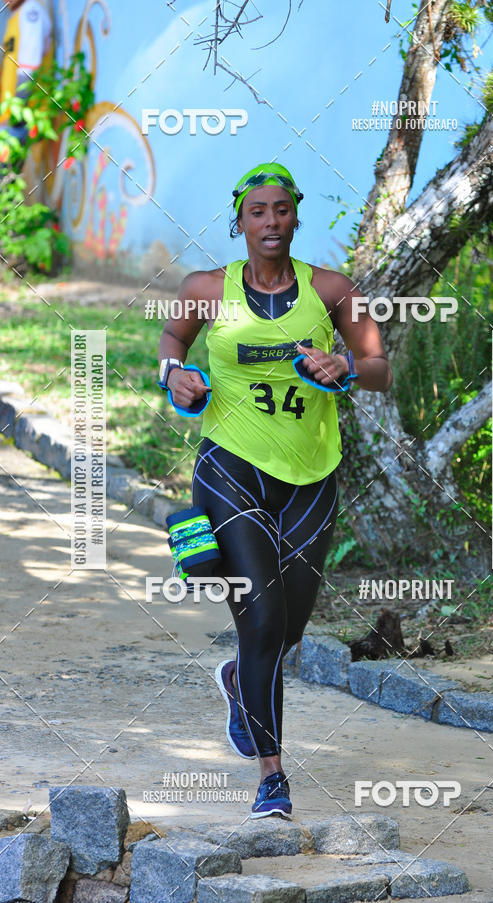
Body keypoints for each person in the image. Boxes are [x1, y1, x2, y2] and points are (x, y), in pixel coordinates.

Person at [157, 162, 392, 819]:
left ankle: (236, 678)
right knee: (260, 621)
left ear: (296, 217)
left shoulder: (333, 290)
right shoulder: (207, 288)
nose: (270, 221)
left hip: (312, 477)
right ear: (239, 220)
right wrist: (175, 374)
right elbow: (174, 341)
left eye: (281, 209)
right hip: (232, 468)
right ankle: (272, 776)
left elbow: (380, 368)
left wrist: (347, 364)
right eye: (257, 211)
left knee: (286, 628)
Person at [0, 0, 53, 145]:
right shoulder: (14, 16)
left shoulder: (31, 11)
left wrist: (14, 119)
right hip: (11, 118)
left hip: (25, 119)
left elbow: (28, 71)